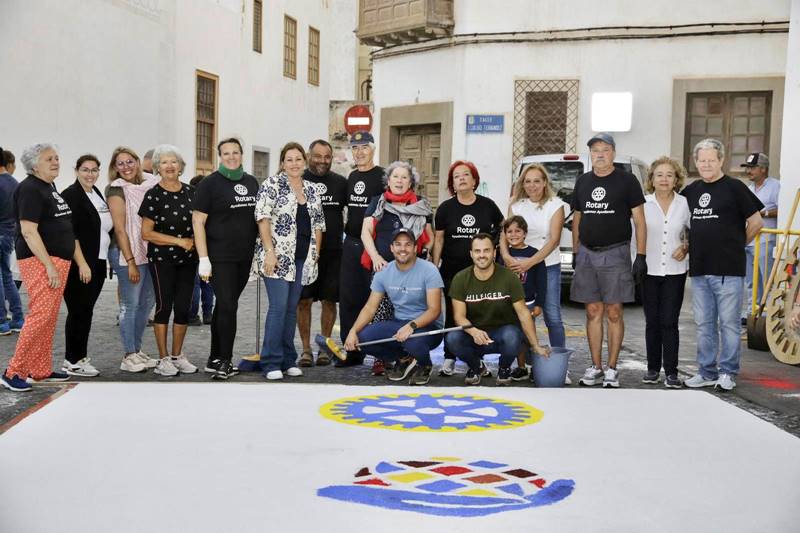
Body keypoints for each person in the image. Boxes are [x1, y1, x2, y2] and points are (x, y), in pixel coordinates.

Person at [681, 138, 763, 391]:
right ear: (696, 162)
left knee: (728, 324)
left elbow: (756, 222)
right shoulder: (691, 191)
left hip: (729, 270)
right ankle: (706, 372)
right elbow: (680, 222)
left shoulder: (735, 187)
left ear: (721, 160)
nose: (706, 164)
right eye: (702, 160)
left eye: (711, 160)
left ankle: (727, 372)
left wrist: (737, 244)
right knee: (704, 324)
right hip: (700, 269)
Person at [1, 144, 85, 391]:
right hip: (40, 261)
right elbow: (28, 231)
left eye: (56, 157)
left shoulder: (48, 187)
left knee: (48, 317)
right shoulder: (30, 188)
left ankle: (40, 369)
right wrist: (48, 265)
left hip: (57, 260)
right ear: (35, 165)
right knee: (39, 316)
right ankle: (13, 371)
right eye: (49, 159)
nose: (56, 162)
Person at [570, 133, 647, 388]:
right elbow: (578, 218)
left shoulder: (627, 181)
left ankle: (612, 368)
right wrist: (576, 251)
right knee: (593, 311)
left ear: (613, 152)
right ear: (590, 154)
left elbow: (639, 221)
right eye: (595, 150)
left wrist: (641, 256)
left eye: (604, 149)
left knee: (614, 311)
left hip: (616, 252)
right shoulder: (583, 181)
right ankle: (596, 367)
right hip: (587, 253)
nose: (600, 154)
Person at [255, 142, 325, 381]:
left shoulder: (312, 189)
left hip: (302, 258)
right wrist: (270, 252)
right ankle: (270, 361)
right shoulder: (272, 185)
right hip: (277, 257)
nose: (294, 164)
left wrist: (315, 255)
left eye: (298, 159)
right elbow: (262, 218)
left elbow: (319, 224)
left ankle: (287, 360)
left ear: (305, 162)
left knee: (291, 309)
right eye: (289, 159)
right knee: (278, 307)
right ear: (282, 163)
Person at [192, 137, 259, 379]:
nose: (231, 157)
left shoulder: (251, 182)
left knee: (224, 305)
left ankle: (214, 358)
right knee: (229, 305)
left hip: (244, 257)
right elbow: (198, 221)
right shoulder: (209, 184)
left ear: (242, 154)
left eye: (235, 152)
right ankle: (226, 361)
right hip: (219, 257)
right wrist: (203, 258)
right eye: (226, 153)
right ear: (219, 156)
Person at [445, 233, 549, 386]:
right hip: (475, 335)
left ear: (494, 253)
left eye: (486, 250)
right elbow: (459, 317)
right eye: (477, 251)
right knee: (452, 338)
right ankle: (476, 366)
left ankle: (504, 367)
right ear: (471, 254)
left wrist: (535, 346)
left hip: (502, 334)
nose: (482, 255)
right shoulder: (460, 278)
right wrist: (473, 331)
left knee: (513, 335)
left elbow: (523, 313)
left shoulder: (509, 277)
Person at [361, 160, 433, 376]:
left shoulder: (421, 204)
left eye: (404, 177)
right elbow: (365, 232)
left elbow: (430, 238)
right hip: (384, 269)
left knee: (408, 312)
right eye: (395, 176)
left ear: (411, 182)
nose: (399, 181)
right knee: (381, 313)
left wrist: (427, 259)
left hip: (413, 270)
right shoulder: (378, 202)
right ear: (388, 180)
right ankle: (382, 357)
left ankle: (409, 354)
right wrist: (375, 257)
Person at [345, 227, 444, 385]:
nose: (402, 249)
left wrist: (411, 326)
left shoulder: (429, 270)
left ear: (415, 248)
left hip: (427, 326)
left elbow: (434, 310)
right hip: (399, 323)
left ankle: (425, 364)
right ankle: (404, 358)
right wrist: (353, 331)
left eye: (407, 244)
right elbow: (370, 308)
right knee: (362, 339)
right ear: (391, 248)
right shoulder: (383, 272)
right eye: (398, 244)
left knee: (413, 342)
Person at [432, 160, 504, 376]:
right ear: (452, 184)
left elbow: (503, 228)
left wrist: (498, 250)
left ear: (474, 180)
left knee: (477, 313)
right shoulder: (445, 208)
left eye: (465, 175)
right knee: (453, 314)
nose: (461, 179)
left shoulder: (488, 206)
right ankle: (449, 357)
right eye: (456, 176)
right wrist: (434, 267)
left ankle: (477, 356)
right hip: (452, 272)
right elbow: (438, 240)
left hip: (481, 272)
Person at [139, 145, 198, 376]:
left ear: (181, 166)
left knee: (183, 308)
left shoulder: (192, 192)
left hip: (189, 260)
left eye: (174, 161)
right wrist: (179, 241)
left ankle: (177, 356)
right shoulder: (153, 194)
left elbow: (200, 223)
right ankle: (163, 359)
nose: (170, 166)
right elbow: (146, 233)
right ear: (157, 167)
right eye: (164, 162)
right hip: (162, 260)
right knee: (164, 307)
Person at [502, 162, 568, 352]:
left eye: (537, 181)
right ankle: (525, 362)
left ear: (545, 182)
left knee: (552, 316)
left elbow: (554, 240)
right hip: (518, 267)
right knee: (521, 315)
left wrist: (530, 262)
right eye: (528, 181)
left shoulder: (555, 205)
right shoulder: (516, 205)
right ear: (522, 184)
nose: (532, 185)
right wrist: (506, 256)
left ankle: (558, 359)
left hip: (548, 266)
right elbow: (504, 232)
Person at [59, 154, 114, 377]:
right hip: (80, 264)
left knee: (86, 311)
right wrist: (82, 263)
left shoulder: (95, 193)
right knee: (78, 311)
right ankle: (73, 360)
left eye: (94, 170)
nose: (90, 174)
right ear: (76, 171)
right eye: (85, 170)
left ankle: (78, 357)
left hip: (97, 261)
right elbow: (70, 233)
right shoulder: (71, 195)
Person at [106, 146, 158, 373]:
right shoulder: (116, 189)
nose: (126, 167)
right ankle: (128, 355)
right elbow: (119, 229)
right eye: (121, 163)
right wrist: (130, 261)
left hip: (148, 250)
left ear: (137, 162)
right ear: (115, 168)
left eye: (130, 161)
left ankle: (136, 350)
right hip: (126, 252)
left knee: (147, 303)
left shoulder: (151, 183)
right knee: (130, 304)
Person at [640, 157, 690, 389]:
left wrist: (686, 247)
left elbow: (693, 232)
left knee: (669, 321)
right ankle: (652, 369)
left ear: (676, 179)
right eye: (659, 174)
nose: (664, 179)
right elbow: (635, 235)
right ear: (651, 179)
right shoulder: (643, 203)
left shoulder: (685, 204)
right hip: (649, 270)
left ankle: (671, 371)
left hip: (675, 271)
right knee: (652, 321)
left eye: (669, 175)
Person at [297, 139, 347, 366]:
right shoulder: (298, 179)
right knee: (303, 301)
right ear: (309, 156)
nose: (322, 161)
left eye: (327, 157)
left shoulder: (340, 183)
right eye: (318, 156)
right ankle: (306, 350)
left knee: (329, 301)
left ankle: (325, 347)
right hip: (305, 252)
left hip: (333, 252)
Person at [337, 131, 384, 367]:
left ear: (373, 149)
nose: (359, 152)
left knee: (377, 300)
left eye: (364, 147)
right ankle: (352, 350)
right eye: (355, 148)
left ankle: (381, 354)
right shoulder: (352, 177)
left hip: (374, 247)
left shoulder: (383, 177)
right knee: (348, 299)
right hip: (352, 244)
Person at [497, 215, 547, 381]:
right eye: (509, 231)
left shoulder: (534, 254)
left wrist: (539, 304)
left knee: (528, 335)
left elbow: (542, 281)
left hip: (528, 303)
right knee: (516, 336)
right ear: (505, 235)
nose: (514, 235)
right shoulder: (504, 255)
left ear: (525, 233)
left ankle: (534, 367)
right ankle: (521, 367)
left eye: (517, 231)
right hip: (508, 304)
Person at [741, 152, 780, 323]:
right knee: (751, 280)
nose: (748, 171)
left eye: (752, 167)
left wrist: (764, 213)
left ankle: (767, 314)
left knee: (767, 279)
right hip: (750, 240)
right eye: (747, 167)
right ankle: (752, 312)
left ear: (763, 169)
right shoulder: (749, 189)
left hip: (766, 240)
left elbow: (783, 208)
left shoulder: (776, 186)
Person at [0, 147, 23, 334]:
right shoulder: (15, 183)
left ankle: (1, 321)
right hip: (9, 234)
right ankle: (17, 318)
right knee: (7, 277)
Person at [188, 174, 214, 326]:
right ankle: (208, 314)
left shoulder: (191, 202)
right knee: (207, 282)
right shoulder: (211, 202)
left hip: (193, 247)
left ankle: (192, 315)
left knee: (195, 283)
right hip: (208, 247)